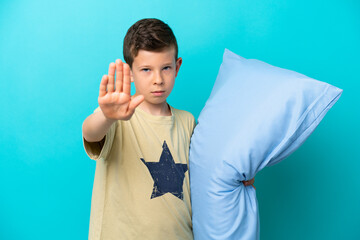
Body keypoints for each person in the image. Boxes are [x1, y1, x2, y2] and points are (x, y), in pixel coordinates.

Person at [82, 18, 254, 240]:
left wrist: (238, 177)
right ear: (130, 73)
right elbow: (91, 132)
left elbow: (206, 176)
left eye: (165, 68)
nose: (158, 80)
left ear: (177, 66)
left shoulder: (187, 122)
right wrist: (106, 116)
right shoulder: (118, 117)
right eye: (146, 69)